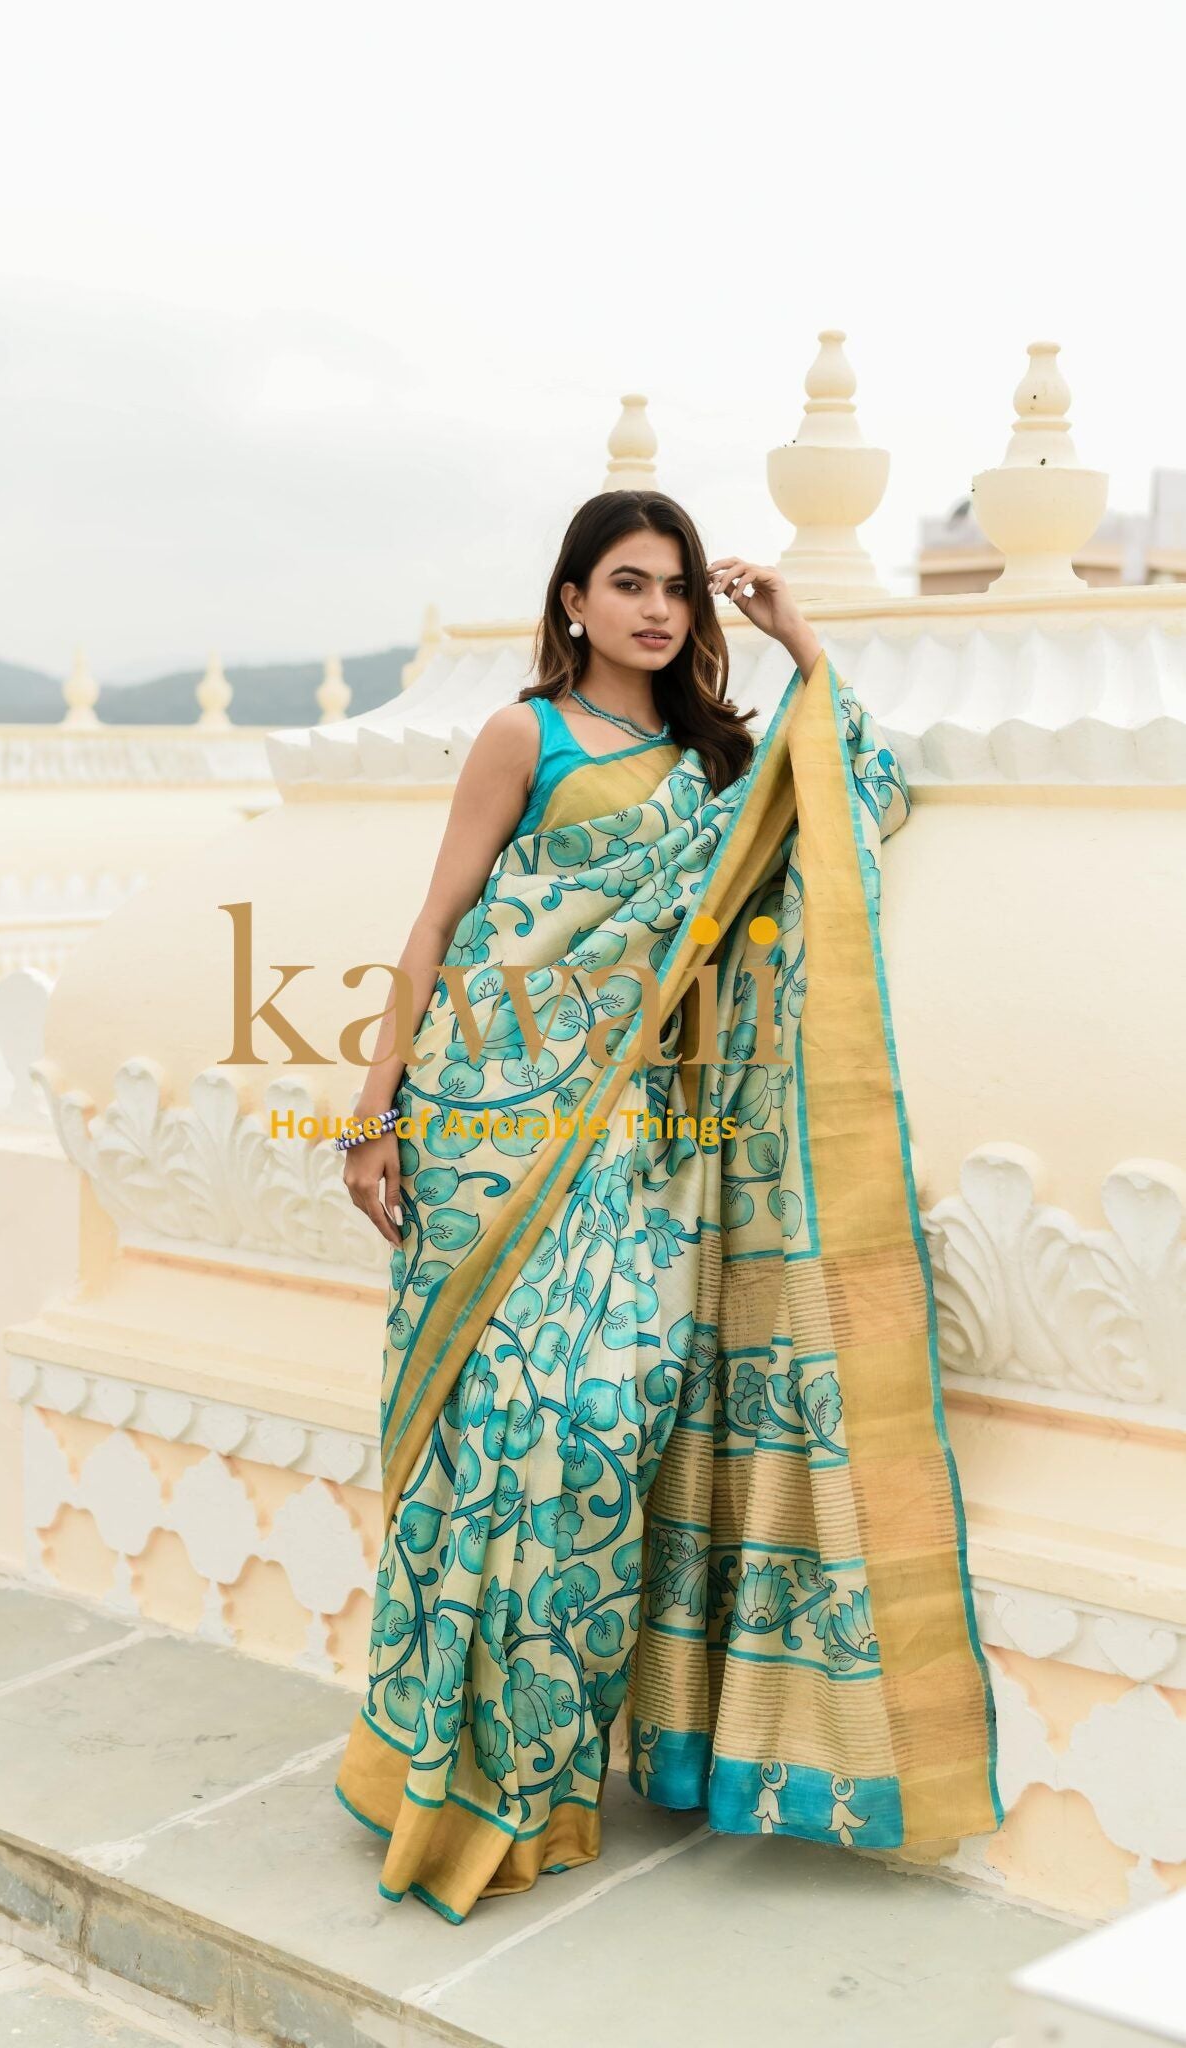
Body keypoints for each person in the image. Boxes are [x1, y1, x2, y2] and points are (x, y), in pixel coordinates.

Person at [332, 489, 1003, 1923]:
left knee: (601, 1425)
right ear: (571, 599)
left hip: (639, 1143)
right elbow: (440, 918)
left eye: (678, 589)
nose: (655, 609)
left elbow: (856, 791)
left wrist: (794, 631)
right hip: (485, 1130)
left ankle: (533, 1768)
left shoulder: (719, 761)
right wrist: (373, 1111)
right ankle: (465, 1788)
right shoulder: (527, 733)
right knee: (498, 1439)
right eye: (626, 583)